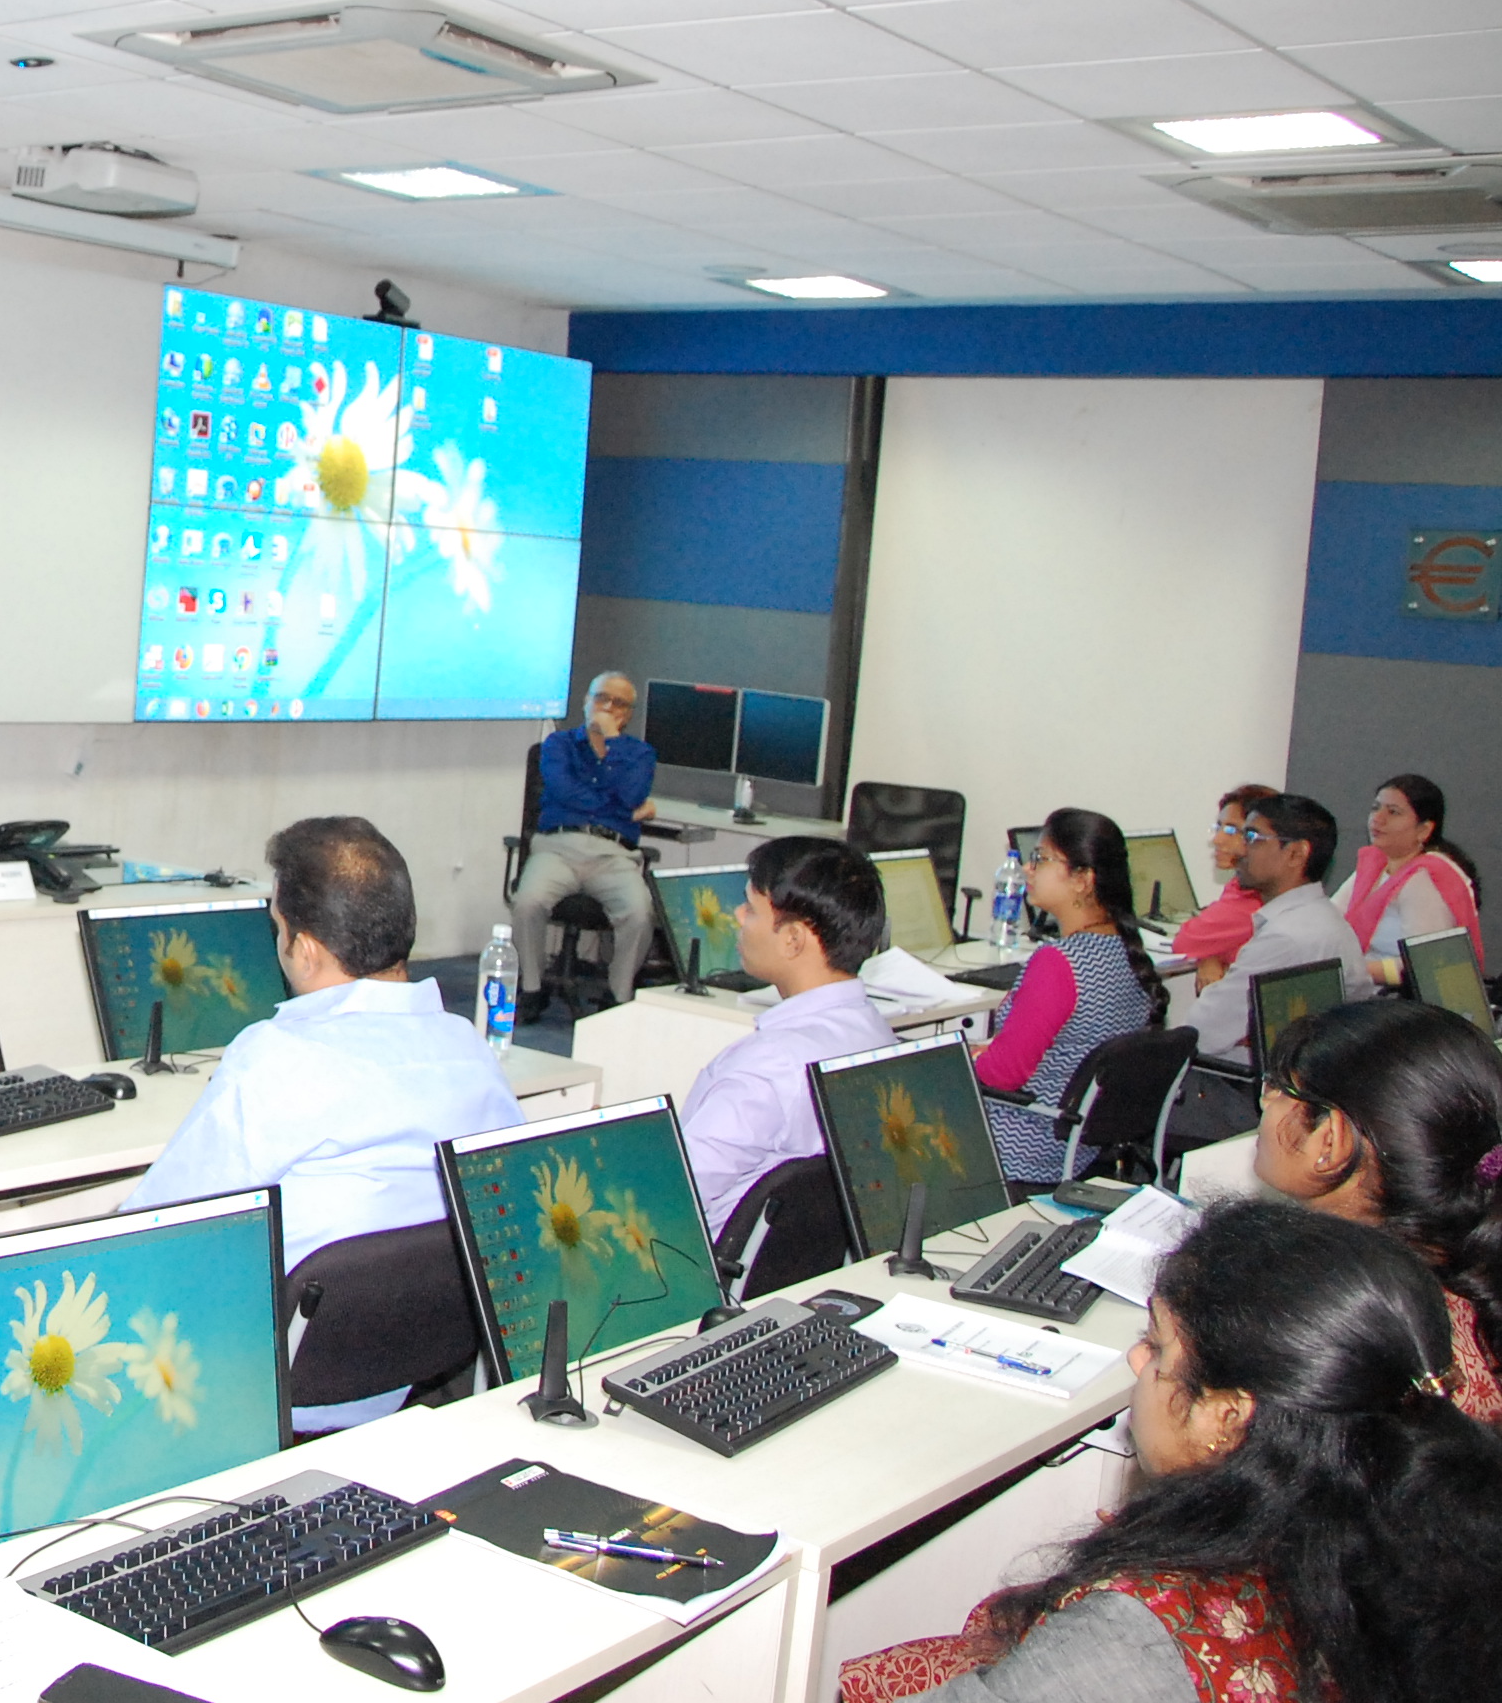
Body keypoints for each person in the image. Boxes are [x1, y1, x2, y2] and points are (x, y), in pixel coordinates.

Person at [839, 1202, 1502, 1702]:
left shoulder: (1144, 1636)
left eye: (1157, 1346)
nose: (1137, 1360)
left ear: (1227, 1417)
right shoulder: (1437, 1541)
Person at [122, 816, 521, 1431]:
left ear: (305, 949)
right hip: (409, 1374)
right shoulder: (469, 1049)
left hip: (277, 1382)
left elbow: (155, 1225)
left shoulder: (274, 1057)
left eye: (278, 928)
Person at [1253, 997, 1502, 1425]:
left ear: (1330, 1142)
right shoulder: (1466, 1267)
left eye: (1279, 1088)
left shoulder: (1315, 1326)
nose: (1266, 1100)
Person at [683, 836, 901, 1239]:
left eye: (751, 908)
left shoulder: (766, 1068)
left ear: (793, 939)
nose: (738, 916)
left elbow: (679, 1192)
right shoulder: (876, 1032)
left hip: (706, 1262)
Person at [974, 810, 1171, 1185]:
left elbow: (1004, 1074)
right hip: (1077, 1148)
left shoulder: (1058, 963)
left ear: (1083, 880)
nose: (1028, 869)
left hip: (1021, 1144)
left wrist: (963, 1059)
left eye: (1041, 858)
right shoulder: (1126, 950)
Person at [1185, 792, 1373, 1078]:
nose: (1241, 849)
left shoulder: (1287, 938)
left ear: (1296, 854)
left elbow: (1202, 1033)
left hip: (1269, 1086)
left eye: (1252, 837)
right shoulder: (1322, 918)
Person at [510, 670, 658, 1012]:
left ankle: (618, 996)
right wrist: (624, 811)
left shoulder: (640, 755)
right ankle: (531, 988)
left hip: (614, 855)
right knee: (528, 902)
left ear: (628, 714)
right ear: (586, 701)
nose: (607, 707)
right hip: (558, 848)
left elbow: (632, 792)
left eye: (618, 703)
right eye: (601, 698)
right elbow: (566, 792)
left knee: (640, 913)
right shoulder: (558, 745)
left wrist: (611, 742)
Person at [1329, 772, 1483, 984]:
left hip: (1400, 997)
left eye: (1393, 812)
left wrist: (1349, 970)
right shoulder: (1376, 864)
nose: (1378, 818)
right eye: (1375, 808)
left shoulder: (1425, 879)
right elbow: (1330, 920)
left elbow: (1423, 965)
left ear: (1424, 829)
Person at [1170, 782, 1275, 989]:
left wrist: (1209, 951)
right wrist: (1211, 955)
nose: (1217, 839)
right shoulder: (1244, 885)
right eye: (1219, 827)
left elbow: (1185, 942)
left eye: (1232, 830)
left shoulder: (1251, 900)